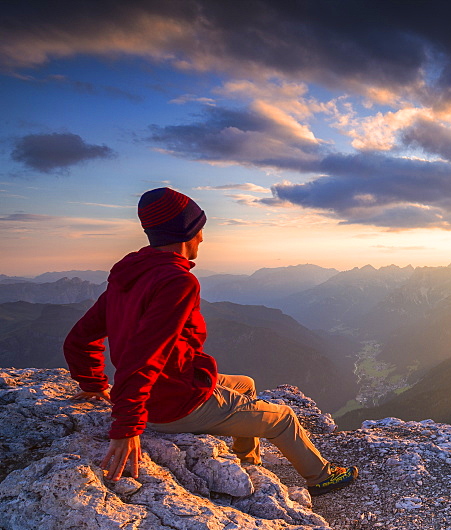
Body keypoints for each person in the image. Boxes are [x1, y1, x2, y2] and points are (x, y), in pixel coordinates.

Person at [63, 187, 358, 496]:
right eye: (200, 229)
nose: (203, 238)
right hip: (175, 404)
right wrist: (126, 426)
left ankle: (247, 462)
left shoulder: (130, 276)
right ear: (186, 232)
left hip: (169, 388)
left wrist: (93, 383)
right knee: (283, 418)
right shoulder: (177, 282)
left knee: (245, 383)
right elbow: (144, 357)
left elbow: (79, 339)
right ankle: (321, 476)